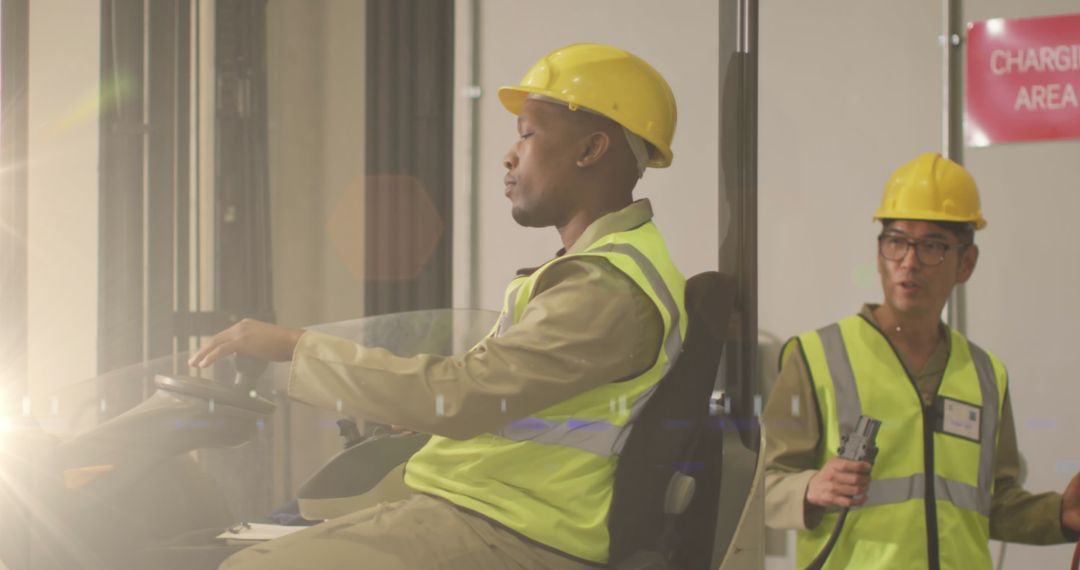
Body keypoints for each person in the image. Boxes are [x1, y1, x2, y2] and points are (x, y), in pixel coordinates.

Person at [188, 42, 686, 570]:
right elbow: (509, 400)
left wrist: (296, 346)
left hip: (515, 531)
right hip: (487, 510)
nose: (509, 155)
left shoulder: (605, 287)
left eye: (528, 134)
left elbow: (462, 394)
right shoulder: (601, 268)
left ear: (591, 150)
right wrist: (415, 414)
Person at [761, 152, 1080, 569]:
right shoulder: (815, 357)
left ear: (966, 263)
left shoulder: (986, 375)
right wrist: (811, 487)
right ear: (879, 254)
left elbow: (991, 503)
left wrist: (1060, 516)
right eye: (897, 241)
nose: (909, 262)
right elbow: (760, 489)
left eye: (932, 246)